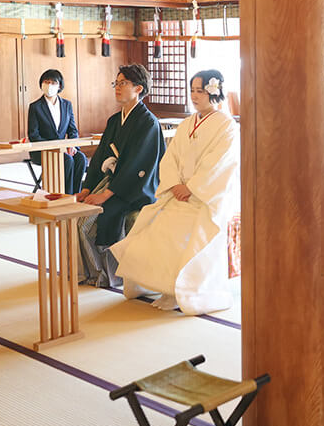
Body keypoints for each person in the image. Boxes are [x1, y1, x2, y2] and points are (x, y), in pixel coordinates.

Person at [112, 70, 239, 314]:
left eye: (200, 91)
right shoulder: (187, 124)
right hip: (178, 194)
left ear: (215, 92)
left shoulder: (227, 125)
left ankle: (185, 290)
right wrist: (175, 185)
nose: (194, 96)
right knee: (152, 228)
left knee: (189, 236)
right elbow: (170, 158)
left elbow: (219, 164)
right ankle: (161, 286)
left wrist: (191, 187)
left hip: (205, 199)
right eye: (192, 90)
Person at [76, 64, 165, 288]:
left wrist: (105, 195)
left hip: (135, 188)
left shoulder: (148, 123)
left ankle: (107, 275)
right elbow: (99, 158)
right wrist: (87, 188)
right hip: (112, 183)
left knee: (93, 220)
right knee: (77, 217)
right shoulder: (115, 121)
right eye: (116, 83)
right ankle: (91, 272)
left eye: (123, 83)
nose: (117, 87)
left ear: (138, 88)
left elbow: (137, 166)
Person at [26, 68, 86, 195]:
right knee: (67, 160)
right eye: (46, 82)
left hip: (64, 149)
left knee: (81, 158)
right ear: (41, 84)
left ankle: (77, 195)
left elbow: (73, 130)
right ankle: (66, 196)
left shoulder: (67, 105)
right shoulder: (35, 107)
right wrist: (58, 148)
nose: (49, 86)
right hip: (42, 151)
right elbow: (33, 135)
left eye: (53, 83)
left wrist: (72, 145)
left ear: (59, 86)